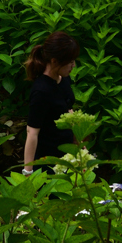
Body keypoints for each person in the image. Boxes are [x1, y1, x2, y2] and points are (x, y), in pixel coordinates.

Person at [22, 31, 81, 174]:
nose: (73, 66)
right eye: (70, 62)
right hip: (47, 162)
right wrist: (28, 171)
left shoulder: (64, 79)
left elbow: (68, 110)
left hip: (66, 156)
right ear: (54, 61)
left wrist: (79, 145)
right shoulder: (41, 91)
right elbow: (32, 132)